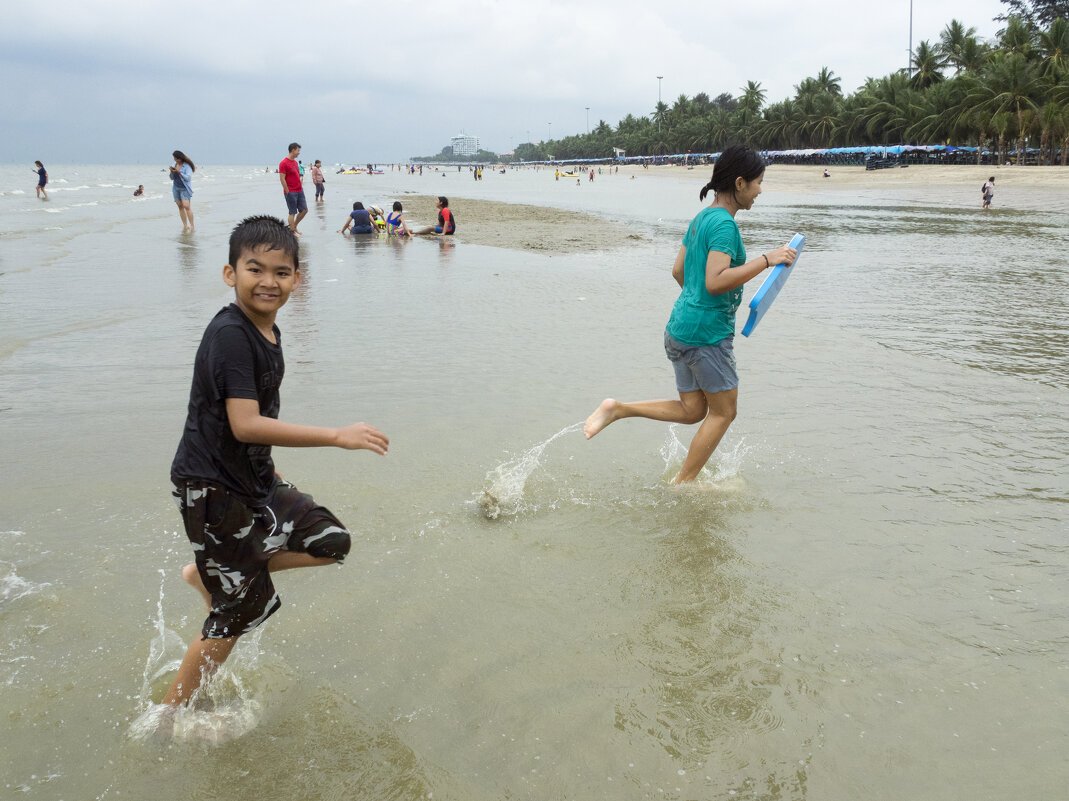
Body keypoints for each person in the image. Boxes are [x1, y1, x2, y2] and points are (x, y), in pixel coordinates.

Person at [164, 215, 389, 713]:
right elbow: (244, 423)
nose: (269, 281)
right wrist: (337, 436)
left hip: (254, 479)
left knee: (332, 542)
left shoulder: (266, 331)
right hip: (211, 489)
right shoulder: (230, 334)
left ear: (297, 279)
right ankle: (168, 713)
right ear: (230, 274)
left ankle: (218, 573)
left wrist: (270, 468)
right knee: (239, 611)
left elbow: (251, 425)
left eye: (281, 272)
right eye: (255, 269)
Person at [583, 144, 797, 484]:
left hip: (679, 328)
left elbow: (678, 271)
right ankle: (684, 484)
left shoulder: (701, 218)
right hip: (706, 335)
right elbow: (715, 282)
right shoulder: (725, 226)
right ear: (740, 183)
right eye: (758, 182)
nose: (760, 190)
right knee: (725, 412)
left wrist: (694, 302)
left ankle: (617, 409)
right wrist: (767, 260)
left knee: (694, 410)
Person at [279, 142, 307, 235]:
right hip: (290, 191)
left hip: (299, 190)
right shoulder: (283, 163)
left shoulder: (295, 162)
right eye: (298, 150)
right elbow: (282, 178)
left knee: (304, 210)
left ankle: (293, 227)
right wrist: (287, 191)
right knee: (292, 212)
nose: (299, 152)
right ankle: (292, 232)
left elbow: (297, 175)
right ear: (293, 150)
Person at [169, 150, 196, 232]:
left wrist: (179, 172)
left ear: (180, 158)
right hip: (176, 188)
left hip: (184, 188)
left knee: (186, 206)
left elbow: (188, 178)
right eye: (174, 158)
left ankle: (192, 225)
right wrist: (171, 172)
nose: (174, 160)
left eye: (176, 158)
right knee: (180, 206)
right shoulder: (174, 165)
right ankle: (185, 226)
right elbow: (171, 178)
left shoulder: (187, 166)